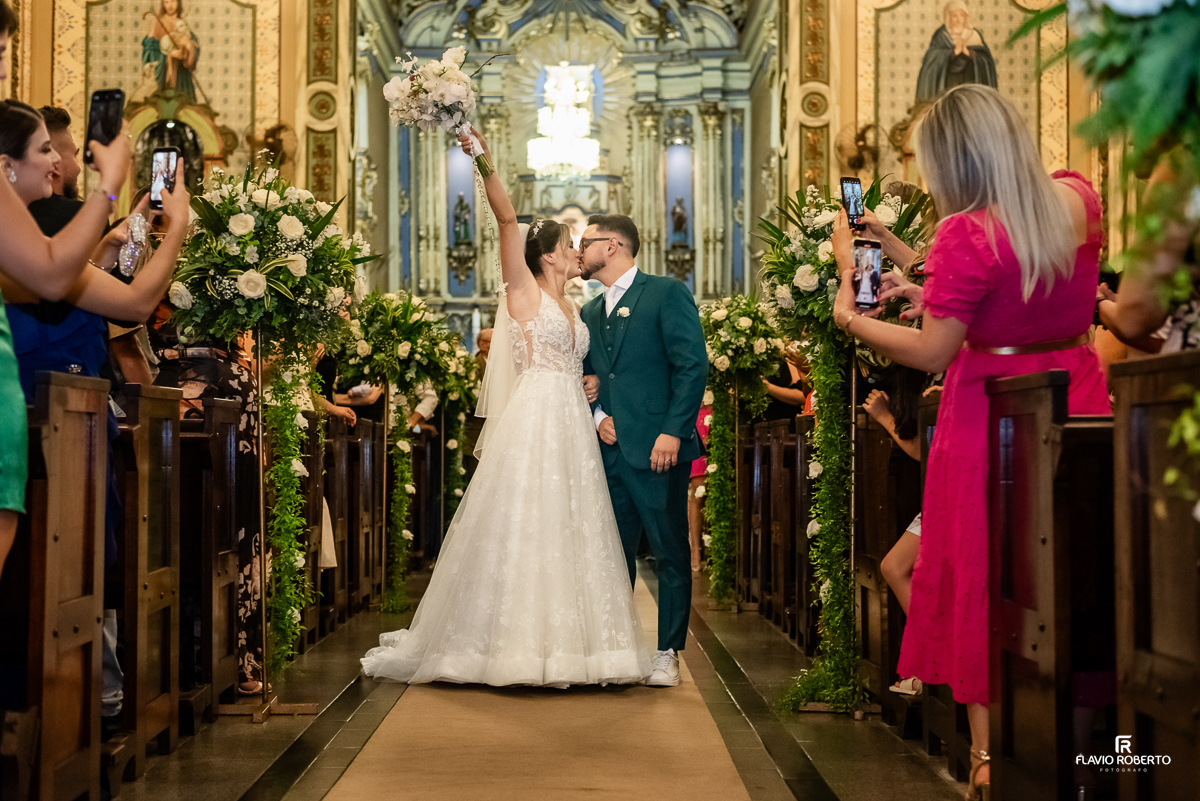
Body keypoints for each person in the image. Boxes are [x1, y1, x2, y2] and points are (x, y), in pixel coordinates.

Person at [830, 84, 1109, 799]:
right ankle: (1093, 745)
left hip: (990, 416)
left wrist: (850, 307)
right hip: (1074, 395)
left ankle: (989, 760)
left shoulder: (967, 232)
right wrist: (922, 273)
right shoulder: (1078, 196)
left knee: (985, 579)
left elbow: (931, 352)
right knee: (1073, 574)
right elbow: (1017, 280)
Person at [360, 127, 650, 688]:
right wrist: (481, 155)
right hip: (536, 418)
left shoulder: (575, 305)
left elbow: (579, 361)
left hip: (570, 416)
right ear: (546, 257)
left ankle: (579, 648)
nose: (576, 252)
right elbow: (508, 222)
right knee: (528, 519)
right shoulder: (525, 290)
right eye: (568, 245)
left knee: (574, 521)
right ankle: (509, 645)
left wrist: (587, 383)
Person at [578, 213, 709, 688]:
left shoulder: (665, 292)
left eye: (585, 241)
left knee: (670, 550)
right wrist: (598, 419)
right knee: (612, 554)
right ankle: (617, 649)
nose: (579, 250)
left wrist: (674, 431)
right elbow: (589, 379)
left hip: (659, 449)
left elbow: (692, 366)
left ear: (612, 245)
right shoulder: (589, 312)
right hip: (609, 449)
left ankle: (668, 652)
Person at [915, 0, 998, 103]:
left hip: (969, 82)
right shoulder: (941, 35)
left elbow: (986, 61)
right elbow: (931, 59)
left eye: (962, 15)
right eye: (954, 16)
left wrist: (970, 54)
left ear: (966, 17)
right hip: (947, 83)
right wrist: (951, 54)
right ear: (948, 17)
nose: (958, 19)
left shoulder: (973, 35)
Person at [687, 404, 712, 573]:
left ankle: (716, 549)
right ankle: (695, 549)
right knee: (699, 491)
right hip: (699, 415)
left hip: (718, 416)